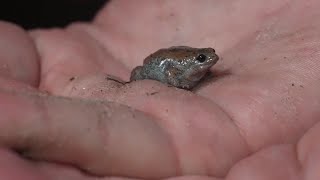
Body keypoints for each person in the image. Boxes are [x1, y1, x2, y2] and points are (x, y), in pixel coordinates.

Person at [0, 0, 319, 179]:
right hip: (151, 66)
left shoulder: (198, 65)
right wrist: (173, 84)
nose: (211, 61)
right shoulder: (182, 66)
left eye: (206, 57)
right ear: (194, 60)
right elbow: (164, 67)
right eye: (203, 59)